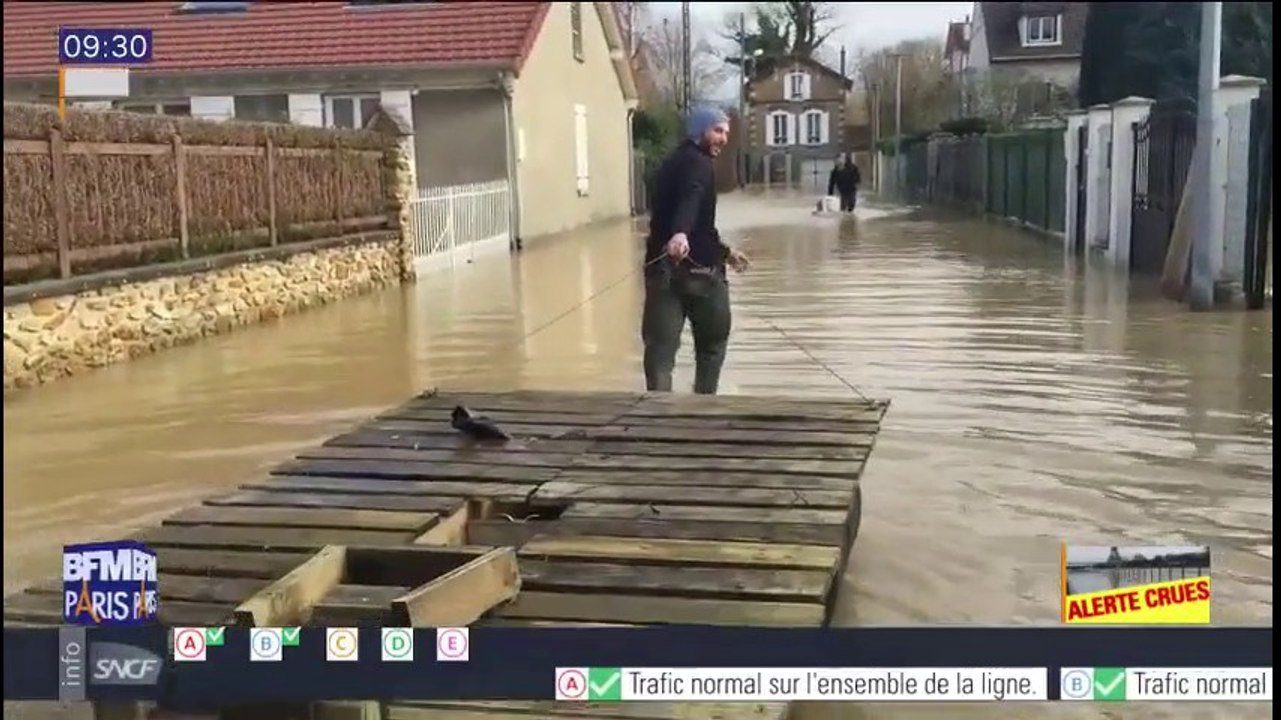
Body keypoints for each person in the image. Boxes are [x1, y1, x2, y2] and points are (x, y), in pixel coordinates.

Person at [642, 106, 750, 395]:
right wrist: (680, 232)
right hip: (703, 276)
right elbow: (692, 197)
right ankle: (703, 412)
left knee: (660, 355)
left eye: (726, 132)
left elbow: (699, 223)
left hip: (662, 270)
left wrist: (725, 251)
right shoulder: (700, 165)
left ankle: (657, 417)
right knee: (712, 348)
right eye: (717, 130)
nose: (724, 138)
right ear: (698, 130)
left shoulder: (669, 164)